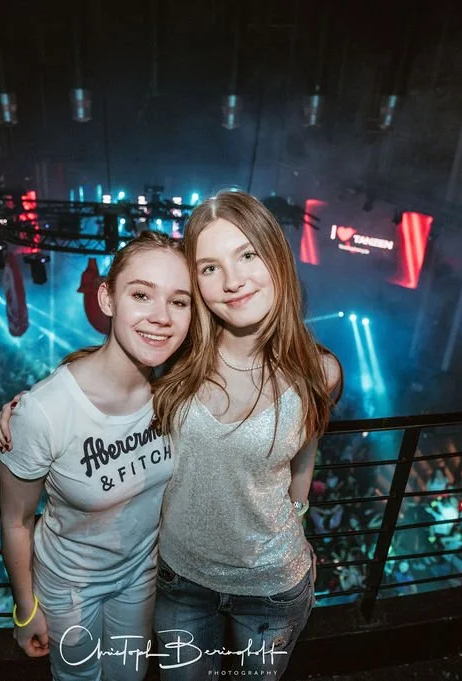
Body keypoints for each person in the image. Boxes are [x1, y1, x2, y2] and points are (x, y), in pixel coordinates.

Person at [149, 190, 341, 680]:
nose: (232, 281)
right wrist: (31, 405)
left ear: (276, 256)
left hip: (272, 591)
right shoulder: (173, 358)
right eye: (210, 267)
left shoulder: (320, 373)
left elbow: (305, 452)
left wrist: (297, 522)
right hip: (180, 581)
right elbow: (106, 372)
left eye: (247, 255)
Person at [0, 231, 192, 681]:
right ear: (107, 298)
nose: (161, 316)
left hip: (141, 576)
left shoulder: (178, 391)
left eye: (179, 302)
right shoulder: (45, 411)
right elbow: (16, 522)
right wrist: (26, 610)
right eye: (141, 294)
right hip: (69, 588)